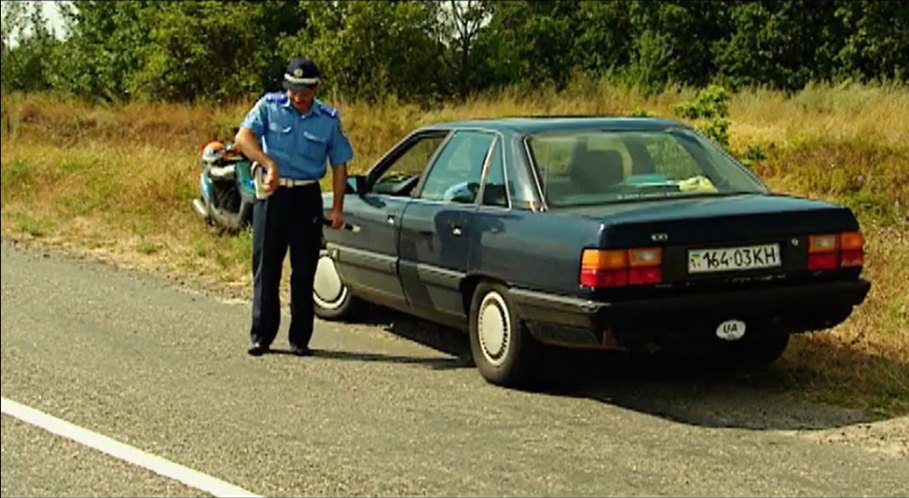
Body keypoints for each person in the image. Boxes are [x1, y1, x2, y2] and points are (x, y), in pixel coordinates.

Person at [234, 56, 353, 357]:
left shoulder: (328, 119)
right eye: (293, 89)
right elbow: (243, 138)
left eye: (305, 90)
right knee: (266, 268)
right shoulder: (269, 106)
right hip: (273, 196)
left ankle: (300, 338)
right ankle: (261, 335)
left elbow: (340, 164)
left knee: (303, 270)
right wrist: (267, 162)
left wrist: (337, 208)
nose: (298, 96)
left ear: (315, 88)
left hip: (306, 199)